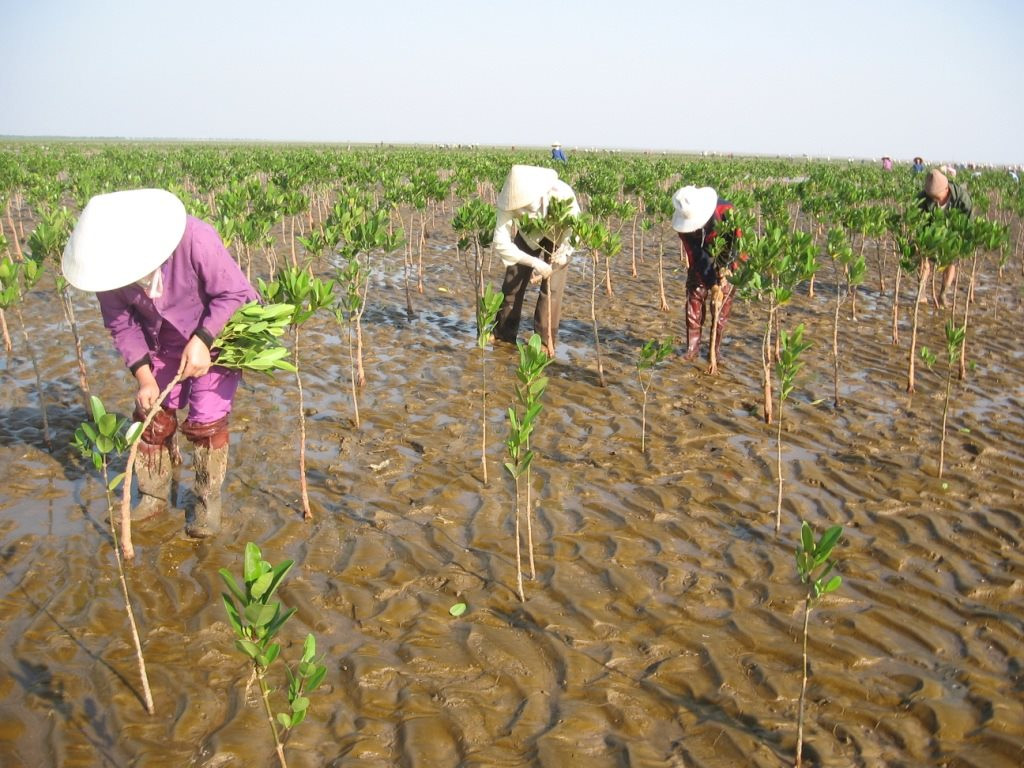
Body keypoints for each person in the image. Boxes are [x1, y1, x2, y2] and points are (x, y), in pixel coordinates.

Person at [62, 188, 258, 538]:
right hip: (162, 345)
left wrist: (203, 339)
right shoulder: (107, 272)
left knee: (206, 421)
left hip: (217, 335)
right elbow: (121, 325)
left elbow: (235, 293)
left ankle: (206, 501)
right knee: (151, 417)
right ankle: (153, 495)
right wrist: (144, 378)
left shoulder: (195, 238)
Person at [492, 165, 580, 356]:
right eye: (518, 209)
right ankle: (503, 333)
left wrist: (564, 252)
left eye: (526, 207)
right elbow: (500, 242)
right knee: (512, 283)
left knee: (552, 288)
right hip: (529, 234)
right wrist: (534, 263)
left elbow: (575, 230)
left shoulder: (563, 195)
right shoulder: (507, 202)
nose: (522, 213)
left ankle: (544, 340)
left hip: (559, 234)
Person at [672, 185, 743, 362]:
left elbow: (735, 244)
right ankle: (692, 349)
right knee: (695, 294)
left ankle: (714, 351)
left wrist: (724, 273)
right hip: (703, 259)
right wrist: (712, 284)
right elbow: (697, 256)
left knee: (721, 303)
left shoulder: (726, 211)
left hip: (729, 257)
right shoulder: (684, 227)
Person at [916, 169, 973, 306]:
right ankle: (921, 293)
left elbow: (968, 223)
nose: (933, 199)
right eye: (931, 196)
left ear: (946, 189)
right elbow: (917, 221)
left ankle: (943, 294)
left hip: (952, 233)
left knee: (950, 262)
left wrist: (963, 243)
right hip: (929, 233)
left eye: (937, 196)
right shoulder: (922, 197)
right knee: (923, 261)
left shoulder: (962, 199)